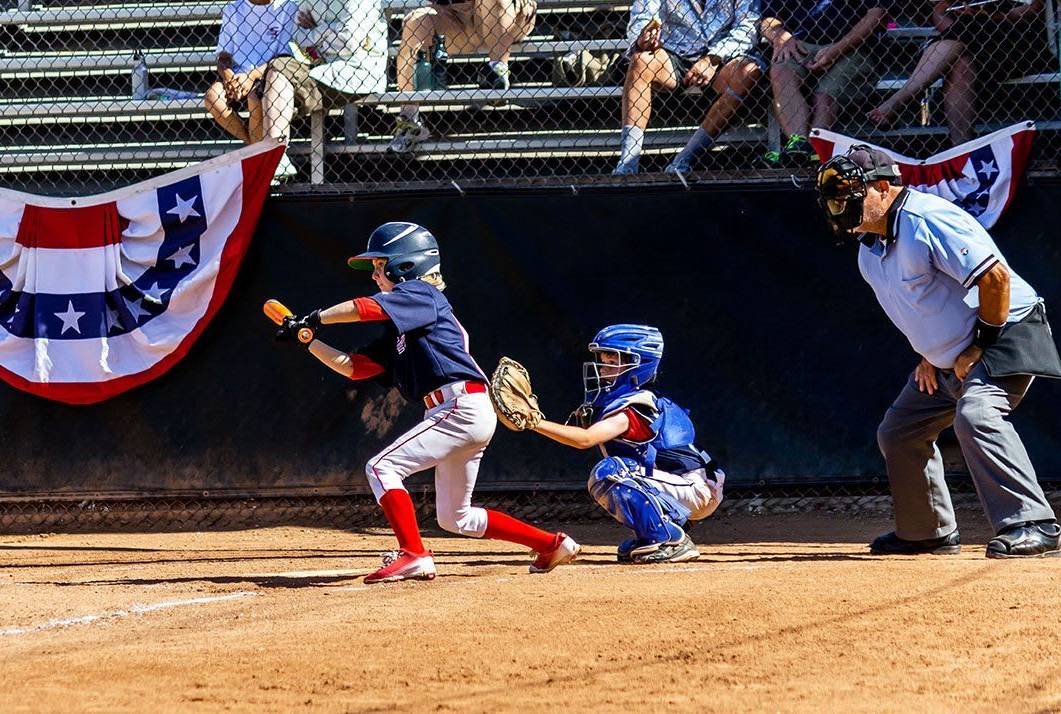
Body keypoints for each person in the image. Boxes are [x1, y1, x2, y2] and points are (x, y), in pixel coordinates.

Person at [274, 222, 581, 583]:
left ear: (406, 265)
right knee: (456, 518)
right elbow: (354, 368)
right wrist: (308, 340)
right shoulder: (405, 326)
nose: (374, 275)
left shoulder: (421, 293)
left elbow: (364, 308)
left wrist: (316, 317)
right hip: (462, 410)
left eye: (379, 265)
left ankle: (414, 554)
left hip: (458, 406)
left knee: (381, 468)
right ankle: (551, 545)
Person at [815, 146, 1061, 558]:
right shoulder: (869, 251)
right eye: (836, 196)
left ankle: (1033, 523)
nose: (840, 205)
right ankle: (927, 531)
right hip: (954, 355)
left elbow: (995, 279)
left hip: (1006, 332)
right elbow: (921, 308)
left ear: (883, 188)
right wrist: (931, 355)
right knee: (899, 432)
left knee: (977, 415)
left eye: (851, 193)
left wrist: (979, 345)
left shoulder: (927, 219)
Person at [522, 325, 725, 563]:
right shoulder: (638, 399)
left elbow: (585, 439)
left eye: (612, 361)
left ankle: (671, 539)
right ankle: (652, 535)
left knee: (609, 473)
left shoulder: (634, 406)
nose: (602, 368)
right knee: (620, 469)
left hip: (694, 488)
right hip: (688, 484)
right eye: (602, 360)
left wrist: (533, 422)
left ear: (639, 366)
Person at [864, 0, 1048, 147]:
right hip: (971, 37)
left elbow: (1035, 8)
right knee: (961, 64)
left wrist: (997, 16)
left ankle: (897, 101)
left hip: (1018, 39)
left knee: (967, 32)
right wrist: (962, 11)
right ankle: (961, 151)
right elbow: (940, 14)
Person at [613, 0, 763, 175]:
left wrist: (714, 57)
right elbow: (642, 16)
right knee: (641, 59)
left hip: (724, 54)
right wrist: (643, 37)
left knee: (747, 72)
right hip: (673, 51)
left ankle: (686, 159)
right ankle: (628, 162)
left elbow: (748, 27)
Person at [388, 0, 539, 153]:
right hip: (454, 15)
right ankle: (409, 118)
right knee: (416, 22)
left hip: (506, 13)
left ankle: (497, 72)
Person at [757, 0, 889, 167]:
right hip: (799, 42)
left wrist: (837, 50)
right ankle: (798, 144)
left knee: (823, 98)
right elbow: (767, 19)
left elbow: (877, 15)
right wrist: (781, 37)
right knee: (781, 72)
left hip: (853, 46)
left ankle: (814, 149)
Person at [248, 0, 388, 145]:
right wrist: (331, 29)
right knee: (277, 68)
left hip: (355, 72)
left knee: (276, 85)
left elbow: (348, 43)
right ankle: (275, 151)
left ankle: (273, 151)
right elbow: (296, 36)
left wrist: (315, 33)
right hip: (318, 65)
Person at [205, 0, 301, 178]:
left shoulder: (287, 7)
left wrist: (251, 76)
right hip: (238, 73)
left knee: (254, 99)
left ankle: (263, 163)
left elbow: (284, 58)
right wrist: (228, 76)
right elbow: (224, 56)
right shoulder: (234, 9)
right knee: (212, 97)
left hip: (269, 72)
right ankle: (256, 149)